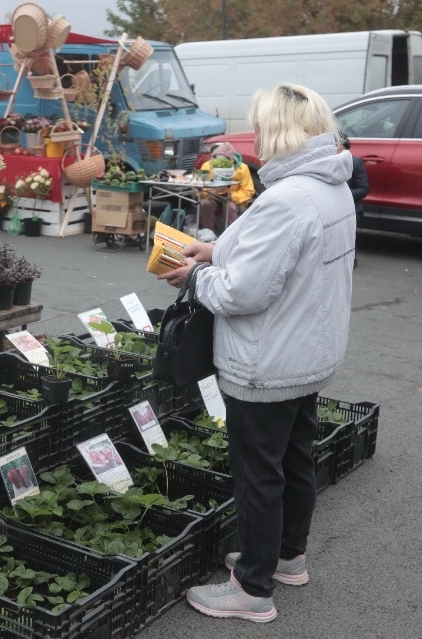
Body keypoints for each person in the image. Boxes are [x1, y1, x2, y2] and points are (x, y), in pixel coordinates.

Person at [159, 82, 356, 623]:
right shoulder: (329, 185)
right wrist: (213, 248)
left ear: (279, 131)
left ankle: (253, 587)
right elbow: (274, 252)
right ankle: (287, 556)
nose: (257, 139)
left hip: (266, 361)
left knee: (257, 472)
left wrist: (197, 275)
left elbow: (241, 292)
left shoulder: (287, 199)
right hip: (306, 354)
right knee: (293, 459)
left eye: (262, 127)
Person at [190, 142, 256, 236]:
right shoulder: (207, 166)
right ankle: (208, 234)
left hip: (232, 198)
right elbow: (199, 186)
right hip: (212, 197)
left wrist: (232, 197)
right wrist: (207, 192)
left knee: (230, 207)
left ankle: (230, 236)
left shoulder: (242, 168)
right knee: (205, 204)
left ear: (231, 160)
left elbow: (248, 190)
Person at [340, 131, 368, 268]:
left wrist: (342, 194)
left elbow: (364, 189)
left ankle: (351, 259)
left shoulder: (355, 162)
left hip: (351, 208)